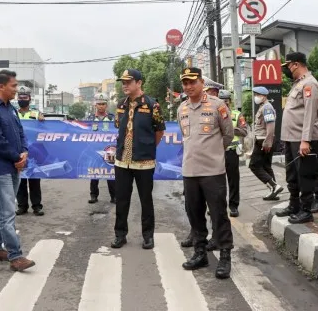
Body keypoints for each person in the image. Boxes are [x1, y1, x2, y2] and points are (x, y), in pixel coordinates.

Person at [177, 67, 234, 279]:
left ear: (202, 82)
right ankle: (200, 253)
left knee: (219, 214)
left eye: (192, 82)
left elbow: (227, 134)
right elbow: (187, 138)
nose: (189, 86)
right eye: (185, 83)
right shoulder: (181, 108)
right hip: (190, 171)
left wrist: (214, 153)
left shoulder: (218, 106)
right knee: (195, 215)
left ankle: (225, 256)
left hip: (213, 171)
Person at [0, 70, 35, 272]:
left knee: (2, 209)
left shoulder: (10, 108)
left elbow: (20, 132)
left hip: (13, 166)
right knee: (7, 212)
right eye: (13, 85)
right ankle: (15, 256)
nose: (16, 89)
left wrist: (24, 152)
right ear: (1, 86)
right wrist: (16, 157)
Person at [111, 69, 166, 250]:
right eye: (123, 82)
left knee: (146, 200)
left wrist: (147, 148)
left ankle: (148, 236)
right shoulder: (120, 104)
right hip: (121, 162)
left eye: (128, 81)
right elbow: (119, 127)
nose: (124, 85)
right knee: (122, 200)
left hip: (144, 162)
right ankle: (120, 235)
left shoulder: (152, 105)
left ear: (139, 83)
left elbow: (159, 131)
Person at [275, 52, 318, 224]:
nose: (286, 70)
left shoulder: (309, 84)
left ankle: (306, 210)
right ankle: (294, 205)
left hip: (301, 139)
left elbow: (310, 113)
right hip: (291, 137)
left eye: (287, 66)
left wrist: (306, 140)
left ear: (295, 64)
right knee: (292, 175)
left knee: (305, 175)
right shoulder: (298, 84)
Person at [249, 86, 284, 200]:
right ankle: (274, 191)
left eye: (257, 95)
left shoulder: (267, 107)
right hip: (264, 140)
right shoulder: (263, 106)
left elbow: (271, 126)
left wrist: (267, 142)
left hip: (263, 140)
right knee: (266, 166)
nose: (255, 97)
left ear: (263, 96)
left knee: (254, 165)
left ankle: (274, 186)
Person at [218, 89, 247, 217]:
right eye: (222, 101)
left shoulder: (236, 115)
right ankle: (217, 205)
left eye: (226, 101)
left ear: (230, 101)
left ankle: (234, 206)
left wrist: (230, 129)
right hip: (216, 152)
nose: (224, 103)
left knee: (233, 180)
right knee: (217, 181)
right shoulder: (213, 114)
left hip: (231, 152)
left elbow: (244, 131)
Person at [15, 89, 45, 216]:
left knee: (34, 179)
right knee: (20, 180)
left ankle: (37, 206)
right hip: (18, 150)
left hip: (33, 150)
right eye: (20, 97)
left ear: (29, 99)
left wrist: (42, 120)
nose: (22, 99)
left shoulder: (36, 114)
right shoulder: (13, 113)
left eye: (25, 97)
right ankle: (22, 206)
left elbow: (43, 130)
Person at [89, 92, 116, 204]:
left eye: (103, 104)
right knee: (94, 173)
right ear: (95, 105)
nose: (101, 106)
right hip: (94, 149)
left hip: (109, 149)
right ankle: (93, 195)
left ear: (106, 105)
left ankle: (114, 196)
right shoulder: (89, 118)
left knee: (111, 173)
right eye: (99, 104)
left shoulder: (111, 118)